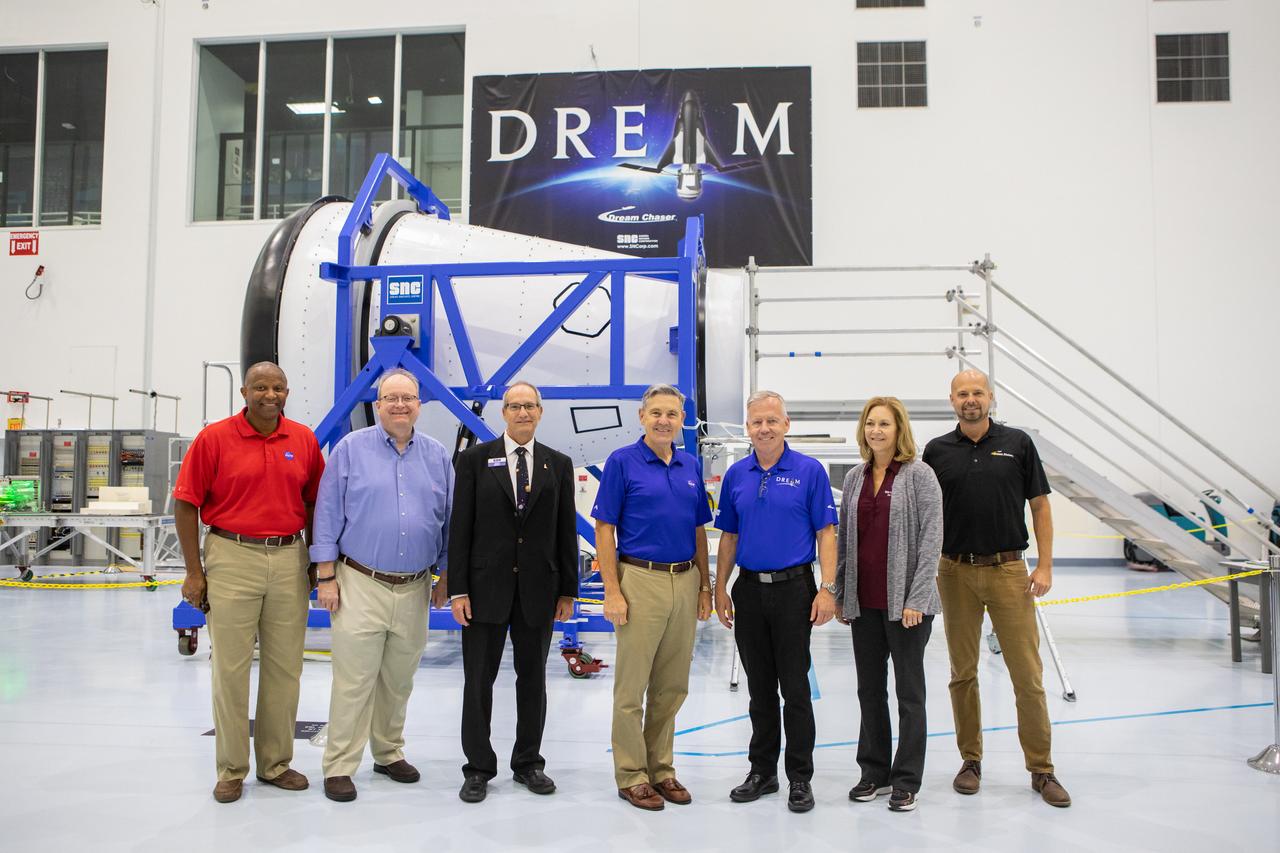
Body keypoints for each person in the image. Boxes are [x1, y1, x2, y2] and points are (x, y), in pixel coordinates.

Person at [174, 361, 324, 804]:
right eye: (261, 387)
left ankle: (276, 763)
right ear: (244, 392)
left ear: (287, 392)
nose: (270, 394)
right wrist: (193, 572)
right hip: (231, 554)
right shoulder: (214, 438)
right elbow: (186, 506)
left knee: (284, 667)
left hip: (288, 556)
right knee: (231, 668)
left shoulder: (303, 439)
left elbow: (316, 503)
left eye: (277, 387)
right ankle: (231, 768)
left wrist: (315, 559)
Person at [922, 369, 1071, 808]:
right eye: (963, 393)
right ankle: (971, 760)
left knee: (1028, 676)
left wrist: (1044, 565)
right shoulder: (936, 451)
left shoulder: (1019, 444)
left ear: (991, 398)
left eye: (978, 393)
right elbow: (926, 515)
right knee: (962, 673)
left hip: (1009, 571)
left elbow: (1040, 506)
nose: (971, 400)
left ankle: (1041, 769)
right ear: (951, 400)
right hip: (954, 573)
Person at [310, 368, 453, 802]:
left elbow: (448, 522)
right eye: (391, 398)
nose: (399, 405)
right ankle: (339, 765)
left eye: (407, 398)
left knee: (398, 679)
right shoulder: (351, 450)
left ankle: (388, 752)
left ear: (419, 404)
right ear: (377, 403)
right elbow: (327, 513)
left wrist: (445, 575)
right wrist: (326, 576)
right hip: (359, 581)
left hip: (413, 587)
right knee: (354, 679)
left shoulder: (437, 456)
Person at [448, 381, 579, 803]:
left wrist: (568, 591)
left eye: (530, 406)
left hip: (538, 591)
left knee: (533, 680)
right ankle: (478, 768)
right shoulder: (473, 460)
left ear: (540, 412)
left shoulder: (557, 465)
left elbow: (565, 531)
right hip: (485, 590)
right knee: (478, 681)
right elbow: (460, 528)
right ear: (502, 413)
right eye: (515, 406)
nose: (523, 413)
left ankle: (528, 763)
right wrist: (458, 589)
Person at [713, 391, 838, 813]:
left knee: (795, 688)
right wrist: (719, 588)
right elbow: (728, 536)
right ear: (746, 428)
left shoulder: (809, 471)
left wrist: (827, 588)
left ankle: (800, 777)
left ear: (787, 424)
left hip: (794, 590)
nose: (763, 429)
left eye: (771, 421)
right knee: (759, 689)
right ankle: (762, 772)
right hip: (748, 590)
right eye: (755, 423)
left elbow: (826, 534)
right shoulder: (736, 475)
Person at [592, 383, 713, 811]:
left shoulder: (689, 465)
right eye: (656, 413)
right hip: (639, 579)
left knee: (672, 687)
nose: (664, 420)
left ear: (683, 420)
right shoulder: (623, 463)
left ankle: (661, 768)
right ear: (642, 417)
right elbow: (604, 528)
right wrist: (612, 590)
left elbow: (699, 528)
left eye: (672, 414)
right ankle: (631, 774)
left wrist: (705, 586)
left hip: (684, 579)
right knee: (632, 688)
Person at [835, 397, 943, 813]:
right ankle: (874, 771)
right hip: (865, 603)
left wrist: (917, 597)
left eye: (884, 424)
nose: (876, 431)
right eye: (870, 424)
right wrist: (845, 593)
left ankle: (906, 778)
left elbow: (933, 538)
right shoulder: (856, 477)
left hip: (907, 606)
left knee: (909, 693)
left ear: (900, 430)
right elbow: (847, 541)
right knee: (869, 690)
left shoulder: (920, 475)